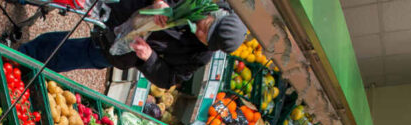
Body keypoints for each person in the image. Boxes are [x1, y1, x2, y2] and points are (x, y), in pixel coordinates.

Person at [20, 0, 248, 88]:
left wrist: (149, 57)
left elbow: (170, 78)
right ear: (215, 13)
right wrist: (161, 2)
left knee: (68, 54)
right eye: (205, 27)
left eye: (204, 39)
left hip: (120, 48)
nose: (199, 33)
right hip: (122, 7)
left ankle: (22, 59)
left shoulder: (201, 55)